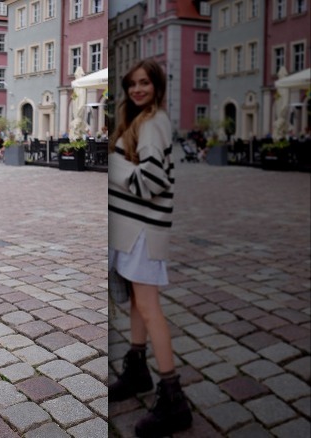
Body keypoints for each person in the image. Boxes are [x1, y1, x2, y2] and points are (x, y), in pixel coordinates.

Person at [108, 59, 191, 438]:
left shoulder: (153, 122)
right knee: (141, 304)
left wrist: (115, 167)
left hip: (143, 231)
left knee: (150, 306)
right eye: (132, 84)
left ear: (157, 86)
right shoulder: (139, 120)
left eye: (145, 83)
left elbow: (152, 180)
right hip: (133, 230)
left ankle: (173, 397)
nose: (137, 89)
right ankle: (138, 369)